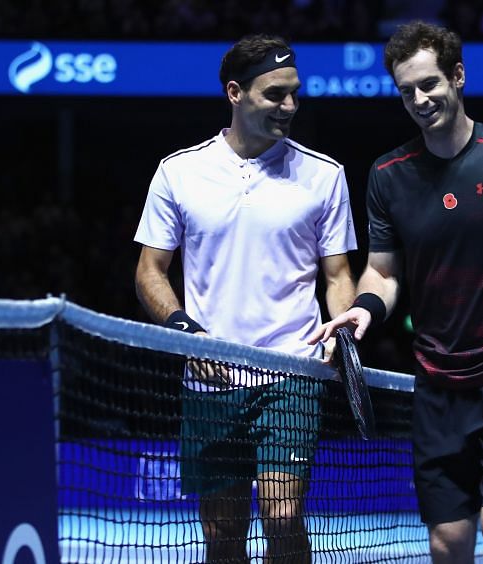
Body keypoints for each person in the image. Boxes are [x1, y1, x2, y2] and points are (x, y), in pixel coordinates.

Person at [310, 21, 483, 563]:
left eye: (429, 84)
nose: (419, 99)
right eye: (406, 91)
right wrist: (364, 310)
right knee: (447, 542)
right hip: (439, 385)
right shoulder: (388, 176)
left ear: (458, 77)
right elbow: (385, 274)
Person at [134, 34, 357, 563]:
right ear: (235, 92)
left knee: (282, 516)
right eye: (275, 94)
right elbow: (149, 272)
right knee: (223, 536)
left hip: (291, 370)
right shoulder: (179, 172)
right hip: (210, 376)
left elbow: (339, 274)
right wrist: (188, 332)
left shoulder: (324, 176)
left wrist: (343, 327)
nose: (290, 106)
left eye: (294, 94)